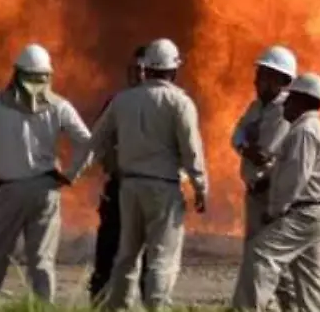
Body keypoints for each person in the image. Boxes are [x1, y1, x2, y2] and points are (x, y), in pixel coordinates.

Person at [0, 43, 92, 301]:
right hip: (45, 191)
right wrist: (71, 174)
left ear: (15, 73)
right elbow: (88, 143)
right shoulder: (59, 106)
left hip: (8, 191)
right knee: (42, 261)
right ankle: (42, 308)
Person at [85, 38, 208, 310]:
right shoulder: (179, 102)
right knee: (162, 258)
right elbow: (191, 150)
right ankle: (156, 307)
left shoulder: (122, 101)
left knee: (126, 255)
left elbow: (95, 141)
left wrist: (73, 172)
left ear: (146, 68)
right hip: (162, 189)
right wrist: (201, 187)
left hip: (128, 187)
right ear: (173, 70)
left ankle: (116, 306)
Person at [240, 73, 320, 312]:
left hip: (306, 213)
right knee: (310, 282)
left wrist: (274, 211)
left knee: (260, 254)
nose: (285, 103)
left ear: (304, 101)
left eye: (291, 98)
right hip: (319, 214)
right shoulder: (313, 129)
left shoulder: (304, 131)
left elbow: (294, 178)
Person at [231, 46, 298, 311]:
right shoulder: (257, 107)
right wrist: (246, 147)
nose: (257, 81)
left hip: (274, 196)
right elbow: (237, 136)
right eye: (259, 74)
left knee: (276, 263)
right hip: (256, 195)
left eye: (265, 75)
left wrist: (250, 146)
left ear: (283, 80)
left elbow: (267, 152)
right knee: (256, 260)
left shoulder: (286, 112)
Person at [89, 46, 151, 303]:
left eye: (144, 70)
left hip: (150, 190)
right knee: (108, 252)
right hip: (119, 188)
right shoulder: (117, 103)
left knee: (150, 261)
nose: (138, 75)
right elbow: (98, 140)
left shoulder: (165, 104)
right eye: (134, 70)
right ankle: (100, 303)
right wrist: (111, 162)